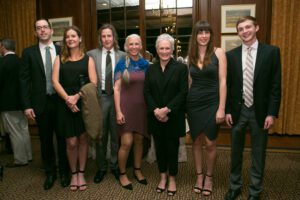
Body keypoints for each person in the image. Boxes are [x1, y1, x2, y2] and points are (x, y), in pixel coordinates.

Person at [224, 16, 281, 200]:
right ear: (238, 33)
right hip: (238, 111)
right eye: (240, 29)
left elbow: (275, 86)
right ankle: (235, 186)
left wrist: (272, 113)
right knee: (235, 152)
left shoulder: (271, 52)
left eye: (248, 27)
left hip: (260, 111)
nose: (244, 31)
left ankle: (255, 190)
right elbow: (228, 86)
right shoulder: (231, 55)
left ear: (256, 27)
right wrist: (227, 110)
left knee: (258, 153)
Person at [20, 19, 70, 190]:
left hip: (61, 102)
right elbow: (24, 81)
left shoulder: (61, 50)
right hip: (41, 103)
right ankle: (50, 173)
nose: (42, 30)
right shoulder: (28, 53)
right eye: (38, 28)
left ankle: (65, 172)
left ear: (50, 30)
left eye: (44, 27)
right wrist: (27, 105)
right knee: (45, 140)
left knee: (63, 138)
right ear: (35, 32)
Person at [52, 26, 97, 191]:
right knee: (71, 142)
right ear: (65, 40)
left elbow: (93, 83)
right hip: (64, 104)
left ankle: (81, 173)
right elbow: (55, 82)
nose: (70, 39)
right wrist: (68, 100)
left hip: (83, 102)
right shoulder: (59, 59)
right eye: (67, 37)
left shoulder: (88, 59)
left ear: (80, 38)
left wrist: (77, 96)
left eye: (73, 36)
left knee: (83, 139)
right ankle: (73, 173)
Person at [144, 33, 188, 196]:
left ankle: (172, 179)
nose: (164, 51)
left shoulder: (181, 68)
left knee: (172, 148)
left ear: (172, 50)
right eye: (161, 48)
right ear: (156, 49)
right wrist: (156, 110)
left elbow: (183, 93)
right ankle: (162, 177)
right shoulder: (151, 68)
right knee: (160, 148)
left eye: (167, 48)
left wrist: (167, 109)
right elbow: (147, 92)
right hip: (155, 116)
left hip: (173, 116)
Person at [186, 21, 227, 196]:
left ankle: (209, 177)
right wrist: (186, 107)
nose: (203, 35)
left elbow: (223, 81)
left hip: (212, 102)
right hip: (194, 102)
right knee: (196, 140)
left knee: (210, 142)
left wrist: (221, 108)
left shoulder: (219, 52)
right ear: (195, 36)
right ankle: (199, 176)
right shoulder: (191, 56)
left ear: (210, 34)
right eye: (200, 32)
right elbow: (190, 82)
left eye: (206, 32)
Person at [87, 24, 126, 183]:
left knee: (116, 136)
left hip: (118, 99)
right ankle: (102, 167)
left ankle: (115, 166)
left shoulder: (123, 55)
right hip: (100, 99)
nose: (106, 39)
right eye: (103, 36)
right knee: (100, 136)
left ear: (114, 37)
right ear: (100, 38)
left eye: (109, 36)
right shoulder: (91, 55)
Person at [114, 34, 149, 190]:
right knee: (126, 142)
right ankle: (122, 173)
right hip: (126, 108)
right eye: (131, 44)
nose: (134, 47)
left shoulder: (146, 64)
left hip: (142, 108)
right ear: (126, 47)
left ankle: (137, 170)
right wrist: (118, 111)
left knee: (139, 141)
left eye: (137, 44)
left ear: (141, 46)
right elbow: (116, 89)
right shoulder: (121, 64)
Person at [0, 38, 33, 167]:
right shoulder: (21, 61)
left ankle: (20, 159)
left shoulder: (2, 63)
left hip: (8, 103)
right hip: (23, 102)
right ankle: (28, 155)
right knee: (24, 129)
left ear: (3, 47)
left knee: (14, 132)